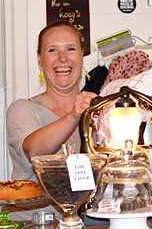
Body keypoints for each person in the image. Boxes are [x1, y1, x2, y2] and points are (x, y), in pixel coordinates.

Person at [7, 20, 97, 181]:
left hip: (91, 207)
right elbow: (33, 152)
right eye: (52, 50)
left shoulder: (98, 111)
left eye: (71, 49)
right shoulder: (22, 109)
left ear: (81, 55)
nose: (62, 58)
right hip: (39, 207)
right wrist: (74, 116)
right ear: (40, 59)